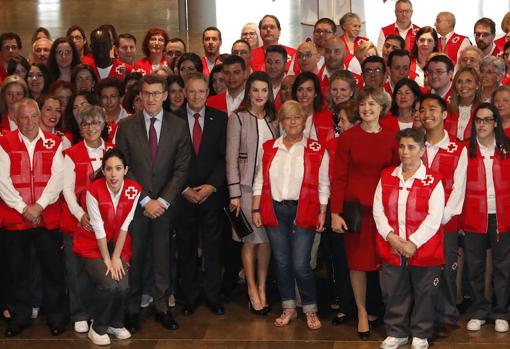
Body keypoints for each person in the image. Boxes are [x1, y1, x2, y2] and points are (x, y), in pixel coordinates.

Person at [115, 74, 191, 333]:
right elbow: (123, 167)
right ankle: (132, 309)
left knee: (162, 259)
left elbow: (181, 168)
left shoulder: (178, 126)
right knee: (134, 260)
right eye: (146, 94)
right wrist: (145, 200)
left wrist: (164, 200)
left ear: (165, 96)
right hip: (136, 207)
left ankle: (162, 308)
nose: (151, 98)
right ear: (140, 96)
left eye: (156, 93)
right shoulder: (126, 126)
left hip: (165, 208)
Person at [252, 100, 329, 330]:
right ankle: (288, 308)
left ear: (304, 120)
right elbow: (259, 179)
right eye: (288, 117)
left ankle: (310, 308)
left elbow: (324, 184)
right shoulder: (269, 148)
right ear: (282, 122)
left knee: (300, 263)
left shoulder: (316, 149)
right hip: (274, 209)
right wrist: (256, 208)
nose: (293, 121)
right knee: (283, 262)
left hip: (304, 209)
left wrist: (322, 212)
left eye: (297, 117)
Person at [331, 86, 398, 339]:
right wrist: (336, 212)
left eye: (372, 104)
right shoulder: (347, 138)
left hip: (384, 212)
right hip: (356, 212)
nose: (367, 109)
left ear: (382, 108)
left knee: (383, 264)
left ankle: (383, 310)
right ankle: (361, 311)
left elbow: (396, 175)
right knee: (358, 264)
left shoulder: (392, 137)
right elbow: (338, 178)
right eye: (363, 105)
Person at [0, 98, 66, 337]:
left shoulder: (55, 142)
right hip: (15, 218)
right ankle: (20, 316)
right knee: (17, 270)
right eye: (24, 117)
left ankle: (57, 316)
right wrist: (23, 208)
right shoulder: (4, 142)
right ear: (16, 119)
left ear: (39, 117)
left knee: (52, 269)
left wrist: (38, 206)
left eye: (33, 117)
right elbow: (2, 181)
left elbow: (58, 178)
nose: (29, 122)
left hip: (45, 216)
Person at [374, 128, 445, 349]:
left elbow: (435, 218)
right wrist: (393, 239)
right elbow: (378, 211)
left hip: (423, 248)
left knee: (425, 292)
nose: (405, 152)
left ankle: (420, 334)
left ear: (422, 150)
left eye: (411, 147)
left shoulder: (433, 180)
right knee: (394, 290)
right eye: (402, 146)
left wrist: (412, 242)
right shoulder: (387, 176)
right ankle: (397, 332)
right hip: (392, 247)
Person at [73, 148, 140, 345]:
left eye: (118, 168)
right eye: (109, 169)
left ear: (125, 170)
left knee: (124, 286)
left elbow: (126, 225)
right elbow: (99, 228)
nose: (113, 174)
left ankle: (116, 324)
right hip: (92, 244)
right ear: (103, 171)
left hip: (118, 244)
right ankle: (98, 327)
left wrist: (116, 256)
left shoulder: (134, 189)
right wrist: (107, 260)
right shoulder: (93, 191)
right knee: (110, 284)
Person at [173, 72, 227, 315]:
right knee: (185, 248)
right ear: (184, 93)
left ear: (208, 93)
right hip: (183, 195)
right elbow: (169, 160)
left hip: (212, 195)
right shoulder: (171, 120)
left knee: (214, 249)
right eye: (191, 91)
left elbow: (225, 158)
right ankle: (190, 297)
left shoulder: (222, 118)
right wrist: (184, 188)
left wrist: (211, 186)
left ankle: (213, 296)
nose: (196, 95)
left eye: (201, 91)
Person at [227, 71, 279, 315]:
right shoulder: (237, 118)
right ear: (248, 91)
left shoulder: (274, 120)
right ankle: (250, 288)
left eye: (264, 90)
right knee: (250, 240)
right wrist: (234, 194)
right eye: (255, 90)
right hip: (246, 191)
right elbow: (230, 158)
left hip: (269, 191)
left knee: (266, 241)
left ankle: (262, 287)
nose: (259, 95)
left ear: (270, 94)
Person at [418, 94, 467, 339]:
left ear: (445, 114)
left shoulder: (458, 148)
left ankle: (445, 316)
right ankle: (422, 318)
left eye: (433, 109)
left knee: (445, 271)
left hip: (445, 223)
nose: (428, 114)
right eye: (423, 109)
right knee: (422, 273)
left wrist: (439, 218)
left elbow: (459, 190)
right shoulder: (414, 145)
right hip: (417, 224)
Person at [461, 103, 510, 334]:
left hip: (503, 216)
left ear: (495, 123)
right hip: (473, 217)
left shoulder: (507, 148)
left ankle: (501, 311)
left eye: (487, 120)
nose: (481, 124)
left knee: (504, 267)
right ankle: (480, 310)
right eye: (478, 120)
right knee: (475, 267)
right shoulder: (464, 151)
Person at [61, 104, 110, 334]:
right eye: (86, 123)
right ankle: (80, 313)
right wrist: (80, 214)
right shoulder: (71, 154)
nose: (91, 127)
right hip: (77, 222)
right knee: (76, 270)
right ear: (80, 128)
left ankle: (101, 313)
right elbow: (67, 190)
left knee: (101, 271)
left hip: (106, 223)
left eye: (95, 122)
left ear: (103, 125)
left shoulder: (112, 151)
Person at [292, 72, 335, 146]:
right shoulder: (287, 118)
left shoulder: (328, 118)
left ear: (316, 93)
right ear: (295, 93)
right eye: (300, 90)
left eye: (309, 90)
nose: (304, 94)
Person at [446, 67, 481, 141]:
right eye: (459, 82)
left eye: (468, 81)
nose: (463, 85)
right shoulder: (446, 109)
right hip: (449, 150)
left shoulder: (484, 110)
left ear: (477, 85)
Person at [96, 77, 128, 142]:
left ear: (121, 98)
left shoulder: (131, 119)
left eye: (113, 96)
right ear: (100, 100)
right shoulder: (94, 119)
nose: (109, 101)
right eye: (105, 97)